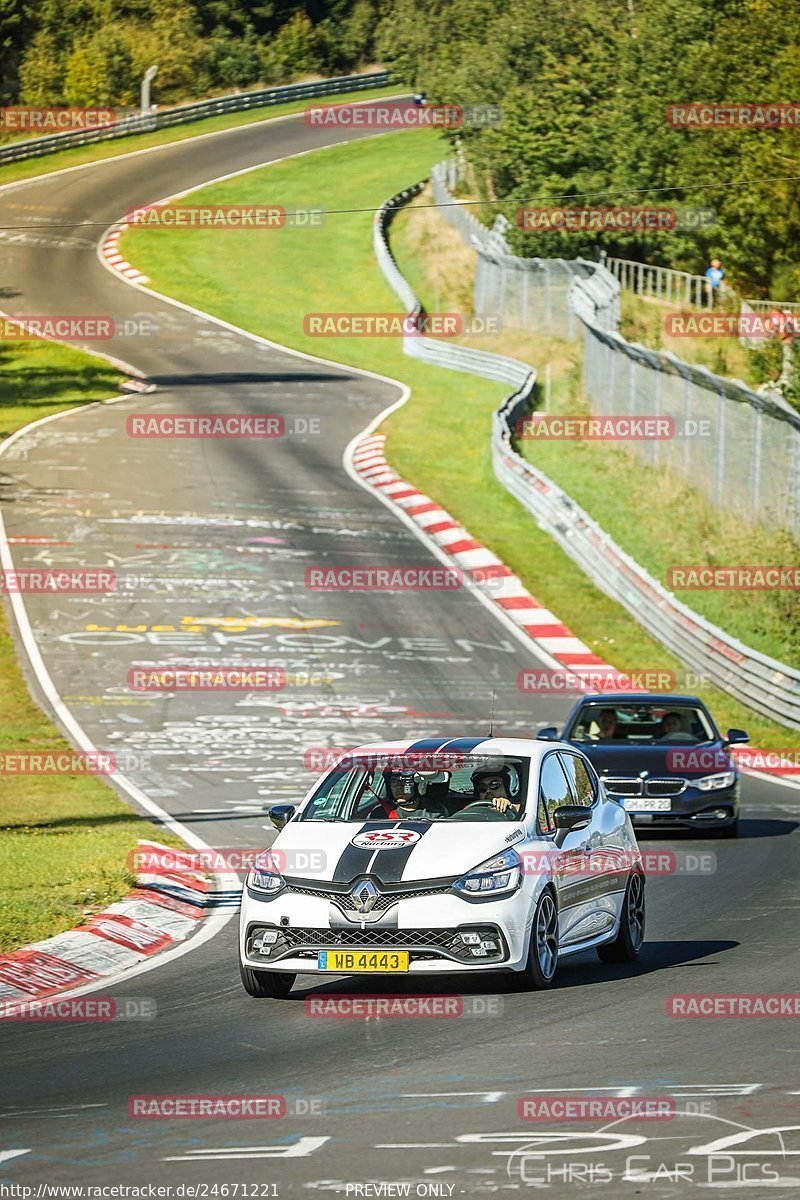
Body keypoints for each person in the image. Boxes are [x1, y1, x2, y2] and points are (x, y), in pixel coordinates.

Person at [379, 769, 447, 820]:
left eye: (405, 782)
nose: (398, 786)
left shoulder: (434, 816)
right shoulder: (381, 815)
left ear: (418, 786)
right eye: (394, 782)